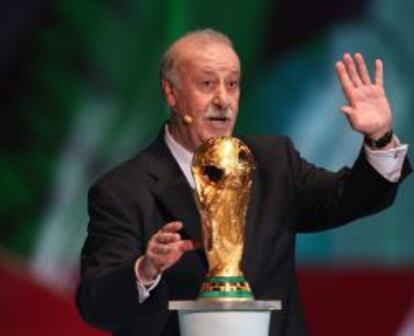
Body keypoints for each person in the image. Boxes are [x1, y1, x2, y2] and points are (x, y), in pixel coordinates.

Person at [76, 29, 411, 336]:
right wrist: (145, 269)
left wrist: (379, 138)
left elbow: (351, 198)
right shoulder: (123, 190)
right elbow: (96, 304)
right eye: (207, 84)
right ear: (171, 93)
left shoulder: (273, 162)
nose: (223, 100)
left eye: (232, 84)